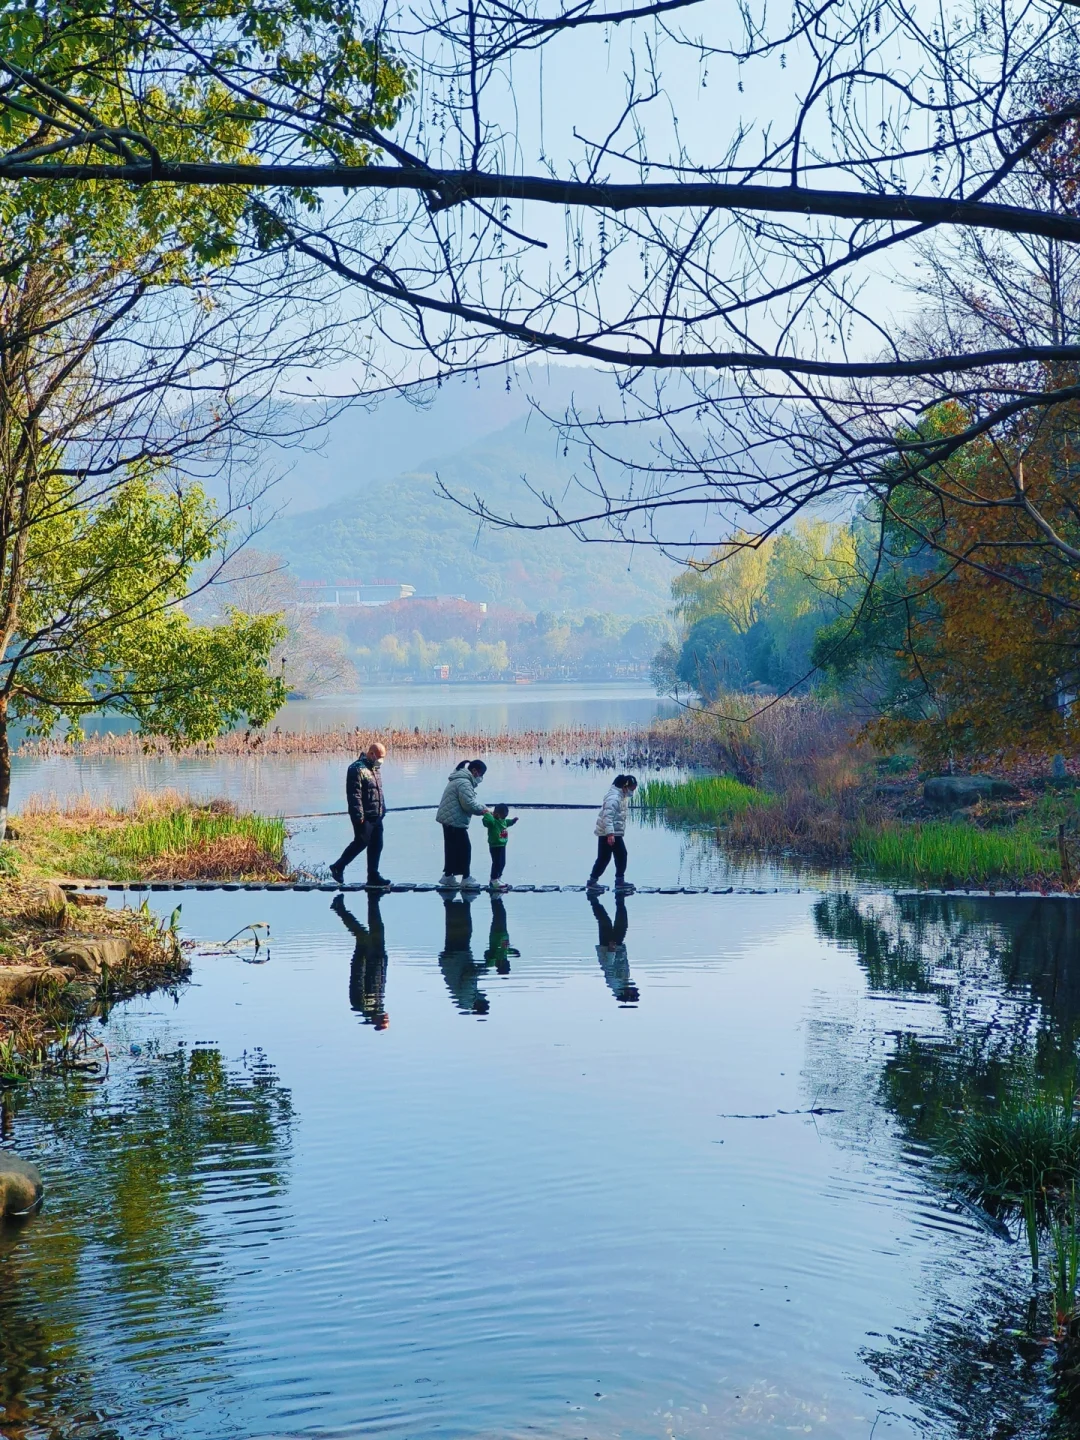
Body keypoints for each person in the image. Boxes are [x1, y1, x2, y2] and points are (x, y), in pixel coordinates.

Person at [329, 740, 391, 886]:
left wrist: (383, 810)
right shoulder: (356, 768)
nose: (381, 761)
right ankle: (338, 867)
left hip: (377, 815)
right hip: (364, 816)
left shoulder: (374, 769)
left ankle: (373, 876)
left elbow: (378, 792)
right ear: (371, 754)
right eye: (379, 757)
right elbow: (354, 795)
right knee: (361, 843)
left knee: (377, 844)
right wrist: (359, 816)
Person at [331, 891, 389, 1029]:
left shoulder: (361, 1004)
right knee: (374, 929)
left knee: (363, 933)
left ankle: (340, 908)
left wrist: (361, 958)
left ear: (375, 1021)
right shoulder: (377, 1004)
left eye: (384, 1019)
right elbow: (381, 980)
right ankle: (342, 908)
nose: (386, 1016)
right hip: (378, 958)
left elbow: (357, 980)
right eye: (386, 1019)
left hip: (368, 958)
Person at [435, 759, 491, 889]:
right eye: (481, 775)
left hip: (448, 820)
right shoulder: (464, 782)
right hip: (454, 821)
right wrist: (485, 810)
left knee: (451, 849)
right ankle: (466, 878)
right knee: (465, 849)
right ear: (475, 771)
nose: (481, 778)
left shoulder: (459, 779)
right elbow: (469, 804)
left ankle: (448, 876)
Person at [438, 893, 489, 1014]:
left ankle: (453, 902)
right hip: (453, 959)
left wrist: (484, 968)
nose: (484, 996)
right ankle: (450, 903)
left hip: (455, 958)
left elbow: (468, 976)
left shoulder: (467, 997)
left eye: (484, 999)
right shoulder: (467, 999)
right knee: (462, 931)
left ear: (479, 1004)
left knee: (464, 931)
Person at [586, 773, 638, 890]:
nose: (632, 792)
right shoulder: (613, 798)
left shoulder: (620, 796)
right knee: (612, 857)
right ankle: (597, 882)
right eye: (631, 789)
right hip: (609, 833)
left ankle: (602, 881)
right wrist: (610, 834)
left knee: (613, 857)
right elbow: (607, 817)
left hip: (613, 832)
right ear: (625, 786)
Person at [590, 893, 639, 1004]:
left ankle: (593, 897)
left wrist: (611, 950)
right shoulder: (622, 984)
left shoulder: (616, 984)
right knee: (618, 923)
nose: (635, 990)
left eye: (633, 993)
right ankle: (618, 897)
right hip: (617, 947)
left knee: (605, 922)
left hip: (609, 947)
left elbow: (609, 967)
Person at [481, 803, 518, 890]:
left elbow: (506, 823)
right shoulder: (493, 821)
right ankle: (493, 879)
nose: (503, 819)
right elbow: (488, 821)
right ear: (496, 814)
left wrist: (512, 821)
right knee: (496, 863)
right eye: (502, 816)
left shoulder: (502, 820)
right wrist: (487, 813)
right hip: (495, 845)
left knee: (502, 863)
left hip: (502, 845)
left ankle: (498, 878)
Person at [483, 893, 520, 974]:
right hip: (502, 932)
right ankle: (496, 898)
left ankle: (495, 897)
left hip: (497, 933)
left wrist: (492, 960)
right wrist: (514, 952)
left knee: (499, 915)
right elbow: (506, 950)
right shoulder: (503, 956)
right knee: (500, 915)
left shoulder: (495, 958)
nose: (508, 962)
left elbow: (487, 953)